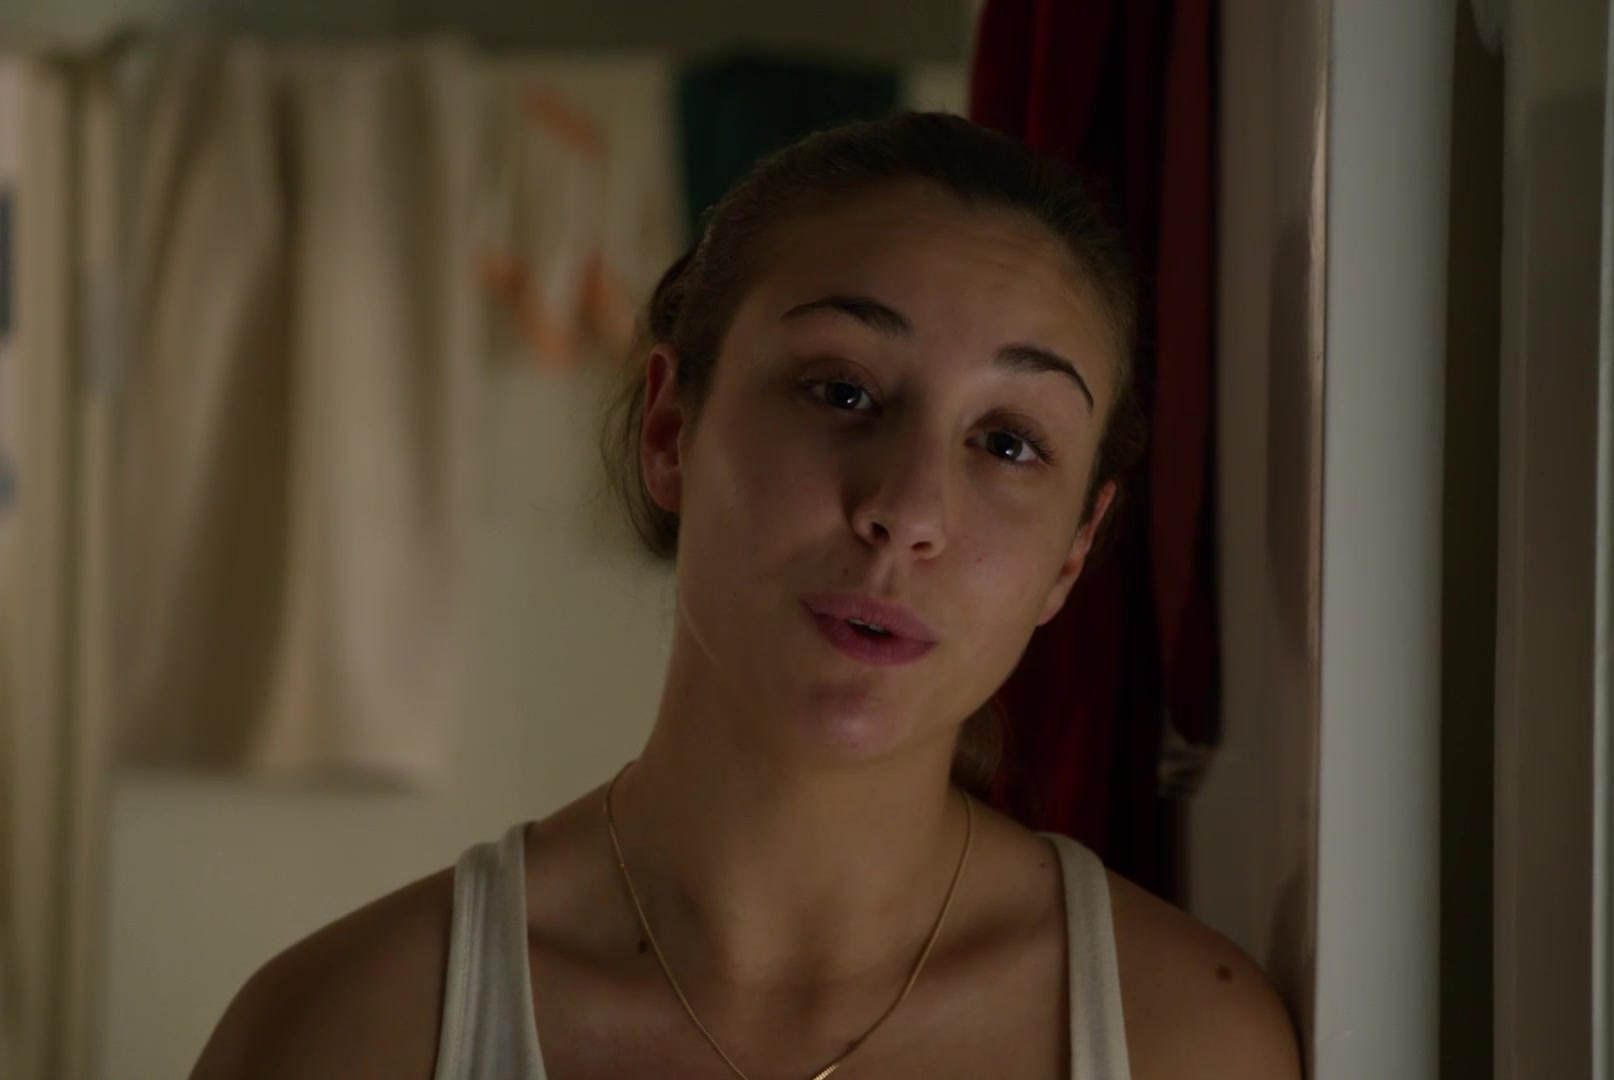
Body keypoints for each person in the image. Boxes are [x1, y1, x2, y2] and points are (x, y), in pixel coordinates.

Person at [191, 112, 1300, 1080]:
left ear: (1072, 554)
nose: (907, 509)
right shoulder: (348, 1035)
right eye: (843, 391)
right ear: (671, 429)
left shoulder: (1186, 1046)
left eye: (1008, 442)